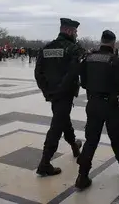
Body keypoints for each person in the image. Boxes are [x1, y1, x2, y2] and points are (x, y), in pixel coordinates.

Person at [75, 30, 119, 190]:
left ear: (101, 41)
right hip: (110, 104)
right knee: (116, 137)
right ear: (113, 43)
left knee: (91, 140)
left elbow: (83, 82)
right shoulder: (115, 61)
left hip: (93, 103)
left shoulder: (88, 59)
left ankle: (82, 175)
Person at [34, 18, 84, 177]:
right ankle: (45, 162)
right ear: (69, 31)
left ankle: (74, 145)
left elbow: (38, 72)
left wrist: (47, 90)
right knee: (57, 125)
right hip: (65, 93)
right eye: (75, 32)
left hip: (52, 93)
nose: (76, 35)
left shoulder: (46, 48)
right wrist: (61, 90)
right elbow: (73, 73)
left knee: (62, 119)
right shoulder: (73, 49)